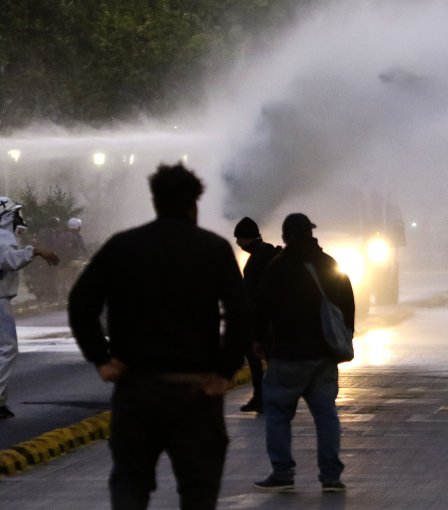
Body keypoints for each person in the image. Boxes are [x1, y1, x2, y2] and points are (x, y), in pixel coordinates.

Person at [68, 163, 251, 510]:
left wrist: (101, 358)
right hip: (196, 391)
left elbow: (81, 302)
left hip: (136, 390)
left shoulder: (122, 246)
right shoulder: (213, 249)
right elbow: (241, 314)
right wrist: (225, 371)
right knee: (198, 489)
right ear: (194, 203)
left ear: (155, 201)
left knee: (130, 484)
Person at [253, 212, 354, 494]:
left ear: (286, 236)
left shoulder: (278, 267)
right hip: (323, 354)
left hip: (287, 355)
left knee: (277, 412)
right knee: (326, 415)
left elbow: (262, 308)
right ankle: (331, 477)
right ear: (311, 233)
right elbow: (347, 303)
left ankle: (283, 472)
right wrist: (346, 335)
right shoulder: (330, 264)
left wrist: (259, 340)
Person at [0, 197, 59, 419]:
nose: (19, 219)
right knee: (7, 349)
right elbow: (9, 260)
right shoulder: (3, 236)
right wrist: (34, 251)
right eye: (15, 214)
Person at [233, 216, 281, 413]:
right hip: (272, 318)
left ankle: (262, 397)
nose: (237, 243)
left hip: (260, 318)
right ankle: (268, 397)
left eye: (239, 238)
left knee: (256, 356)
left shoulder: (256, 260)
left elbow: (254, 294)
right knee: (270, 358)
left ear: (247, 238)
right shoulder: (268, 253)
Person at [56, 217, 88, 296]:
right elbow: (83, 248)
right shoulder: (78, 236)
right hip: (73, 260)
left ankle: (63, 293)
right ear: (78, 227)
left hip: (61, 261)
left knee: (65, 278)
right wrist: (87, 255)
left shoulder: (62, 235)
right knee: (78, 273)